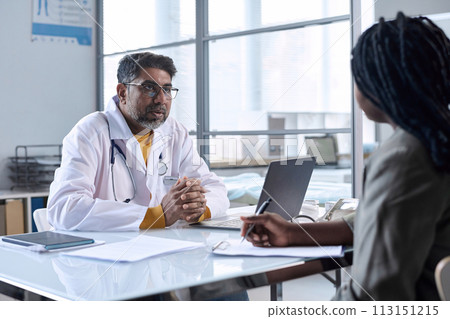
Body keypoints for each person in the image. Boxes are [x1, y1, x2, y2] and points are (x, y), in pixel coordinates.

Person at [241, 12, 450, 301]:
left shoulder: (405, 156)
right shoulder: (436, 139)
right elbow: (381, 224)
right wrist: (291, 233)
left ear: (378, 81)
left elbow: (373, 292)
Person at [48, 52, 229, 231]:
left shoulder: (175, 132)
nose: (161, 99)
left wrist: (197, 210)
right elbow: (64, 208)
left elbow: (214, 188)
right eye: (149, 88)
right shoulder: (90, 131)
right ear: (123, 92)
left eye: (166, 89)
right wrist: (158, 215)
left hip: (160, 249)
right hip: (106, 251)